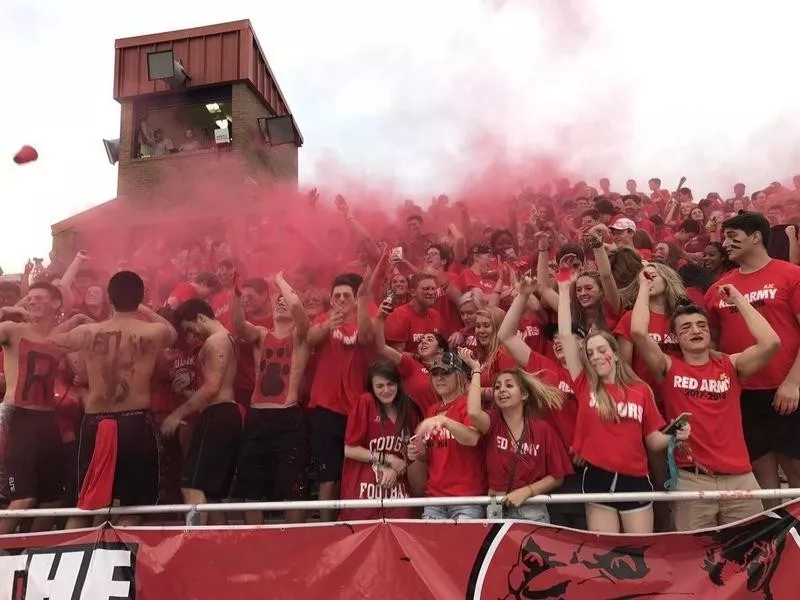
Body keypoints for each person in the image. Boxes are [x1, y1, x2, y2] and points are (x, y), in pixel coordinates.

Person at [631, 274, 780, 530]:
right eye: (685, 328)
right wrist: (644, 287)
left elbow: (771, 343)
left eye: (701, 325)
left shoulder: (731, 365)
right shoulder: (668, 367)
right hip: (692, 479)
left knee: (750, 557)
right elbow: (637, 332)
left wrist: (738, 300)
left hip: (740, 478)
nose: (695, 330)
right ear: (676, 338)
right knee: (696, 562)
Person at [557, 263, 691, 534]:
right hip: (597, 478)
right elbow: (567, 337)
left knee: (638, 554)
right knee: (605, 555)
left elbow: (653, 440)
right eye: (591, 353)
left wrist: (676, 433)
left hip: (636, 480)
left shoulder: (641, 390)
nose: (596, 356)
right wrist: (562, 289)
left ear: (616, 353)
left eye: (601, 350)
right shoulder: (585, 384)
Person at [44, 271, 177, 529]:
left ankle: (76, 562)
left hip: (96, 421)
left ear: (109, 298)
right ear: (140, 298)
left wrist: (77, 321)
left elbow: (49, 342)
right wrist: (145, 309)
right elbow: (172, 333)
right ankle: (123, 563)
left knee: (85, 502)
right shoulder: (152, 331)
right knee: (134, 504)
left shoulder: (88, 331)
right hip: (135, 422)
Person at [705, 212, 800, 507]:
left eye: (733, 237)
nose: (726, 244)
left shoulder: (791, 275)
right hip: (742, 395)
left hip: (786, 390)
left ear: (756, 236)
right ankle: (778, 546)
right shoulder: (716, 290)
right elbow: (713, 345)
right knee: (763, 483)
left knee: (795, 472)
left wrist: (793, 382)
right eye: (724, 238)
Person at [0, 283, 90, 534]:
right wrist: (8, 309)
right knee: (23, 499)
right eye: (29, 298)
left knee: (53, 501)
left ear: (56, 304)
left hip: (48, 421)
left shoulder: (59, 339)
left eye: (39, 297)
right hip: (18, 417)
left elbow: (82, 374)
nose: (32, 301)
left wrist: (81, 327)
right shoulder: (12, 330)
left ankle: (28, 556)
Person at [230, 273, 311, 525]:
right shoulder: (261, 334)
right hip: (258, 418)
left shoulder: (301, 336)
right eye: (277, 301)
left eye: (284, 299)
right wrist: (235, 294)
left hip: (287, 418)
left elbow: (296, 306)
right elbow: (238, 324)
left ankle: (294, 543)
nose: (280, 302)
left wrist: (279, 280)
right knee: (251, 489)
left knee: (293, 489)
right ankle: (255, 541)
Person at [461, 348, 572, 522]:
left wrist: (527, 492)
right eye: (497, 387)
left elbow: (557, 476)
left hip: (531, 509)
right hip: (496, 509)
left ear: (524, 394)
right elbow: (474, 413)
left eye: (509, 385)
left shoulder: (542, 429)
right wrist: (476, 370)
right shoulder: (493, 422)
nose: (501, 390)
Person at [162, 298, 242, 525]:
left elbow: (213, 386)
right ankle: (219, 546)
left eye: (191, 328)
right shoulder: (226, 339)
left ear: (200, 318)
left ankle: (195, 541)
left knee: (191, 485)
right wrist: (187, 392)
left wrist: (177, 414)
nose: (192, 335)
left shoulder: (216, 341)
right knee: (212, 492)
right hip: (221, 412)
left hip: (218, 417)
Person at [306, 272, 373, 522]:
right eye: (337, 296)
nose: (342, 299)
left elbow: (369, 337)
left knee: (357, 472)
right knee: (327, 476)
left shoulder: (363, 323)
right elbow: (309, 337)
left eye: (347, 295)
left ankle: (355, 524)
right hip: (325, 409)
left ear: (356, 300)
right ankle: (326, 528)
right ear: (331, 300)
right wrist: (326, 325)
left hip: (357, 409)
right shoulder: (324, 320)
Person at [407, 351, 486, 520]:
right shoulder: (432, 410)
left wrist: (444, 421)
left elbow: (472, 439)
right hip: (435, 498)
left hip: (467, 498)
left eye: (446, 373)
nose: (439, 378)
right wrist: (418, 453)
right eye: (435, 374)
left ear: (459, 375)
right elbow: (433, 455)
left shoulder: (467, 403)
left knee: (465, 547)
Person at [339, 361, 423, 521]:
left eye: (390, 384)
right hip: (364, 492)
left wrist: (405, 459)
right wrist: (388, 460)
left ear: (398, 383)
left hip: (397, 494)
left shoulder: (408, 409)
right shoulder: (366, 402)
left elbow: (407, 456)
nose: (386, 390)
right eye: (379, 386)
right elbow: (349, 450)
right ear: (372, 387)